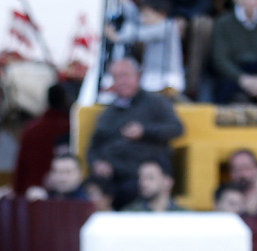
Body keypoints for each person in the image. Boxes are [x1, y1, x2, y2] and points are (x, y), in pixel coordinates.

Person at [88, 57, 184, 209]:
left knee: (133, 189)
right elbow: (94, 146)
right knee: (91, 192)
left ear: (138, 76)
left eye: (126, 75)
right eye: (117, 77)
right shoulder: (108, 112)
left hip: (142, 172)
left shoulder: (156, 102)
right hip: (111, 175)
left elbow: (176, 129)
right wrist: (97, 163)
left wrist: (145, 131)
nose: (122, 81)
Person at [210, 0, 257, 103]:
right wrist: (242, 79)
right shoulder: (223, 23)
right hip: (234, 80)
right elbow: (220, 59)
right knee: (238, 102)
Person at [104, 0, 185, 95]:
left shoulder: (168, 27)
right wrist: (126, 4)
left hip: (167, 81)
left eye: (147, 16)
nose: (143, 19)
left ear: (161, 14)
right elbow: (135, 18)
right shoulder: (157, 26)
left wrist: (116, 37)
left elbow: (138, 34)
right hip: (152, 79)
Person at [12, 83, 72, 195]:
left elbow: (21, 166)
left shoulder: (32, 128)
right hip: (62, 194)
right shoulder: (72, 127)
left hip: (32, 191)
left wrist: (18, 192)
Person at [227, 148, 257, 215]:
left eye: (246, 168)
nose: (242, 174)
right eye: (237, 169)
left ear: (256, 169)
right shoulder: (226, 197)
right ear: (231, 173)